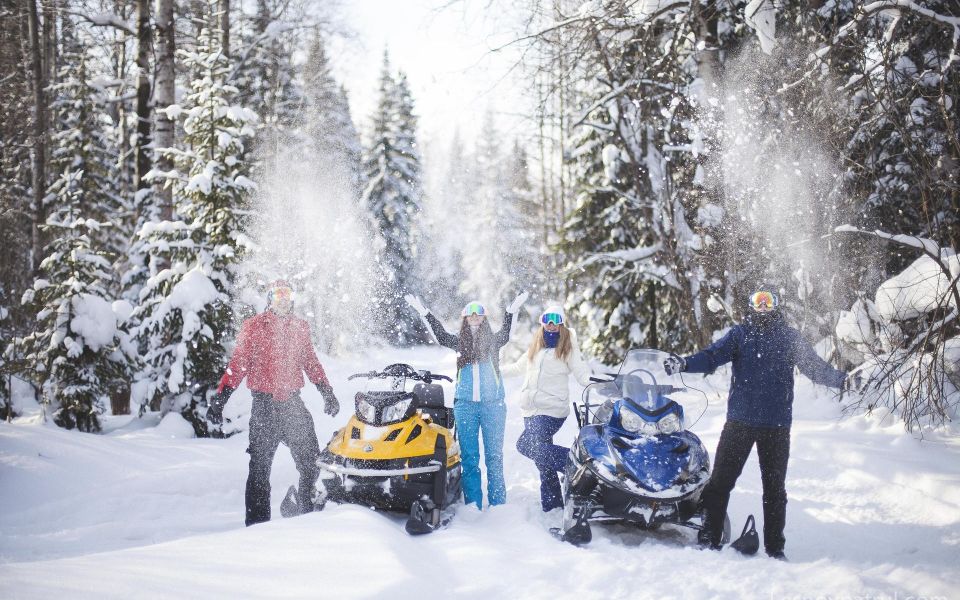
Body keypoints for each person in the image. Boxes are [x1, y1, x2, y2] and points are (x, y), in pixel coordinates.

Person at [664, 286, 849, 559]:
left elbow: (814, 367)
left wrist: (843, 380)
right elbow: (712, 356)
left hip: (776, 426)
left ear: (777, 304)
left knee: (774, 491)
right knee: (720, 484)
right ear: (750, 304)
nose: (762, 306)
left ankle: (775, 549)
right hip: (740, 422)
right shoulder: (740, 335)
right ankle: (710, 539)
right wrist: (685, 363)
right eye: (757, 300)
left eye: (768, 301)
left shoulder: (788, 338)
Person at [207, 280, 341, 526]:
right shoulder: (254, 326)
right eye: (277, 294)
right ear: (269, 299)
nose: (282, 298)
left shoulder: (300, 327)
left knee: (311, 464)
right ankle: (258, 528)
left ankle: (307, 516)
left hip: (293, 406)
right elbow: (238, 365)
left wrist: (326, 391)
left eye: (287, 294)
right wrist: (220, 399)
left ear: (292, 299)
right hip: (264, 409)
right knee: (259, 471)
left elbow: (310, 362)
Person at [405, 292, 528, 509]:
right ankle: (473, 505)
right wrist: (424, 312)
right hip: (465, 407)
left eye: (478, 313)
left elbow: (507, 333)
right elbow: (440, 335)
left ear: (484, 317)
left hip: (493, 406)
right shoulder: (459, 342)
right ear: (465, 318)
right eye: (469, 314)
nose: (474, 317)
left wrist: (511, 311)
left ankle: (499, 505)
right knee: (470, 459)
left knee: (494, 458)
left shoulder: (493, 341)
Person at [501, 306, 592, 512]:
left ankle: (576, 464)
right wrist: (495, 372)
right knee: (543, 460)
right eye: (546, 319)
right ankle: (552, 505)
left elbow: (581, 372)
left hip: (551, 410)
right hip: (531, 411)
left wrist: (597, 382)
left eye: (555, 319)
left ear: (561, 322)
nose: (550, 323)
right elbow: (517, 368)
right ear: (542, 322)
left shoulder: (568, 346)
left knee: (525, 445)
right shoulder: (537, 345)